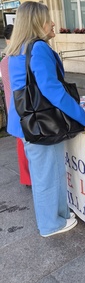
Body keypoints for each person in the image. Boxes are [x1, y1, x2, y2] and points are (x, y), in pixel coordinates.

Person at [6, 1, 85, 237]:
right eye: (48, 19)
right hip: (41, 123)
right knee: (47, 176)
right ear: (36, 22)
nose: (53, 23)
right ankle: (50, 224)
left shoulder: (18, 48)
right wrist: (81, 115)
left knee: (49, 172)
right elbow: (52, 89)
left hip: (28, 122)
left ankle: (59, 214)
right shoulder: (38, 47)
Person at [0, 24, 32, 187]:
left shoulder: (7, 58)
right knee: (23, 142)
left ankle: (27, 178)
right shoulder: (12, 59)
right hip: (20, 106)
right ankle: (28, 178)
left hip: (13, 105)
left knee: (22, 141)